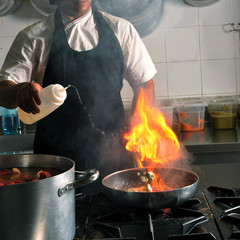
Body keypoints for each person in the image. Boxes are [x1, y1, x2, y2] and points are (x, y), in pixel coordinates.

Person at [0, 0, 156, 191]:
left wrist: (140, 122)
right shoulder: (34, 36)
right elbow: (3, 91)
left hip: (114, 160)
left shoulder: (121, 29)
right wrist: (18, 91)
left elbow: (145, 85)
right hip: (57, 167)